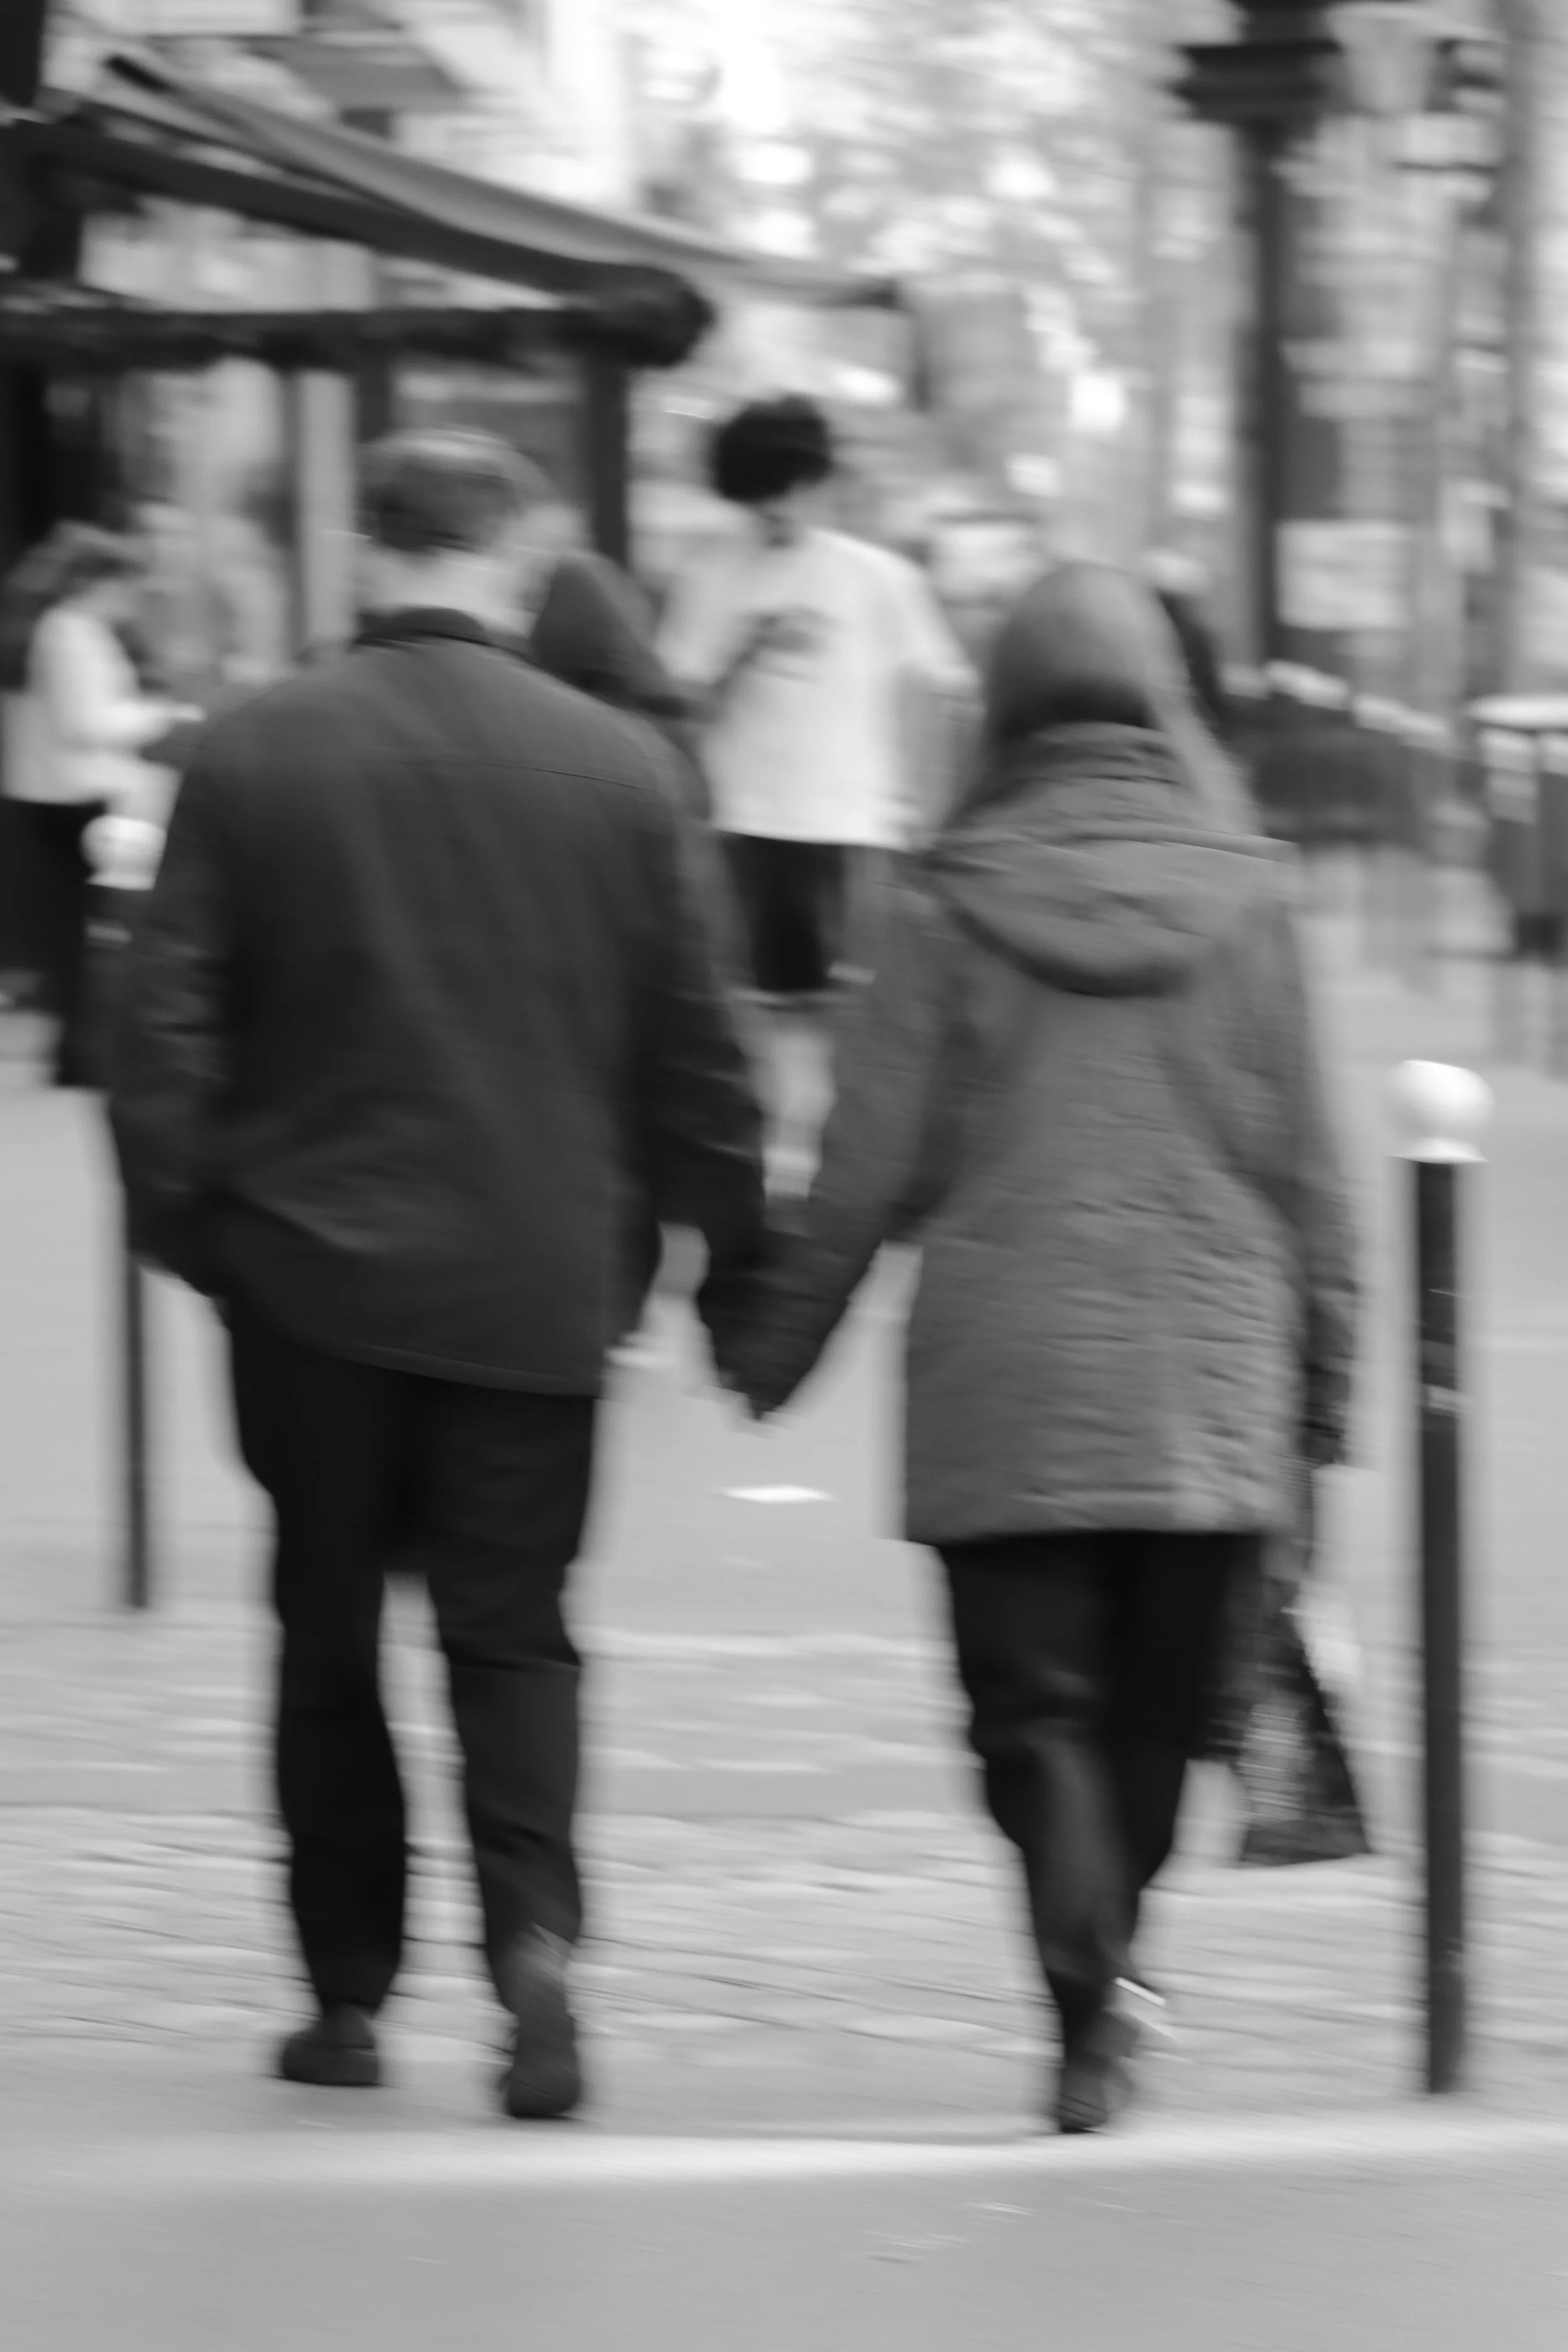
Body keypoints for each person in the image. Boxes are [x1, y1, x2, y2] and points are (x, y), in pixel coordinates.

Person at [110, 430, 765, 2119]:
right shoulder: (621, 770)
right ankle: (534, 1950)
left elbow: (161, 1028)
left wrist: (205, 1231)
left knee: (323, 1629)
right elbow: (698, 1055)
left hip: (310, 1284)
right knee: (513, 1631)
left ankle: (343, 1993)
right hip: (535, 1286)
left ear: (368, 545)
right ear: (512, 553)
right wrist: (719, 1250)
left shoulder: (257, 751)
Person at [712, 561, 1357, 2134]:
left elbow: (866, 1166)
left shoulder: (938, 904)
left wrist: (766, 1347)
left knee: (1029, 1719)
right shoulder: (1256, 899)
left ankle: (1085, 1989)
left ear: (1001, 706)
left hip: (1003, 1396)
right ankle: (1105, 1975)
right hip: (1210, 1393)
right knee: (1146, 1725)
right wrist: (1323, 1399)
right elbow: (1313, 1177)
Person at [659, 395, 972, 1188]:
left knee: (852, 1008)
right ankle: (764, 1161)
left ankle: (851, 1164)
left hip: (851, 823)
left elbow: (939, 691)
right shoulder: (710, 572)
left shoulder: (877, 578)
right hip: (741, 819)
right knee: (744, 1004)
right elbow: (681, 703)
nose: (780, 510)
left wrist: (921, 810)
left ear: (819, 482)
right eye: (762, 496)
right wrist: (741, 650)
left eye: (793, 489)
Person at [0, 524, 189, 1086]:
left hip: (55, 798)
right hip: (87, 798)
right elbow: (86, 723)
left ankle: (81, 1053)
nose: (130, 601)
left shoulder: (49, 630)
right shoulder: (72, 634)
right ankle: (90, 1055)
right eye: (125, 586)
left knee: (73, 932)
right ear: (93, 582)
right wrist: (165, 716)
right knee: (104, 930)